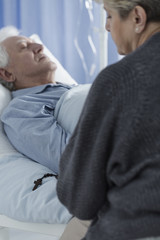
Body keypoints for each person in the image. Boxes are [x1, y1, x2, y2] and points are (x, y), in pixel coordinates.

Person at [57, 0, 160, 239]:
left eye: (109, 16)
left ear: (137, 18)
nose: (106, 27)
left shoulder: (118, 80)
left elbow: (80, 199)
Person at [0, 26, 90, 174]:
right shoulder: (21, 110)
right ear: (7, 74)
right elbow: (74, 161)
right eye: (24, 47)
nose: (39, 47)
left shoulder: (73, 88)